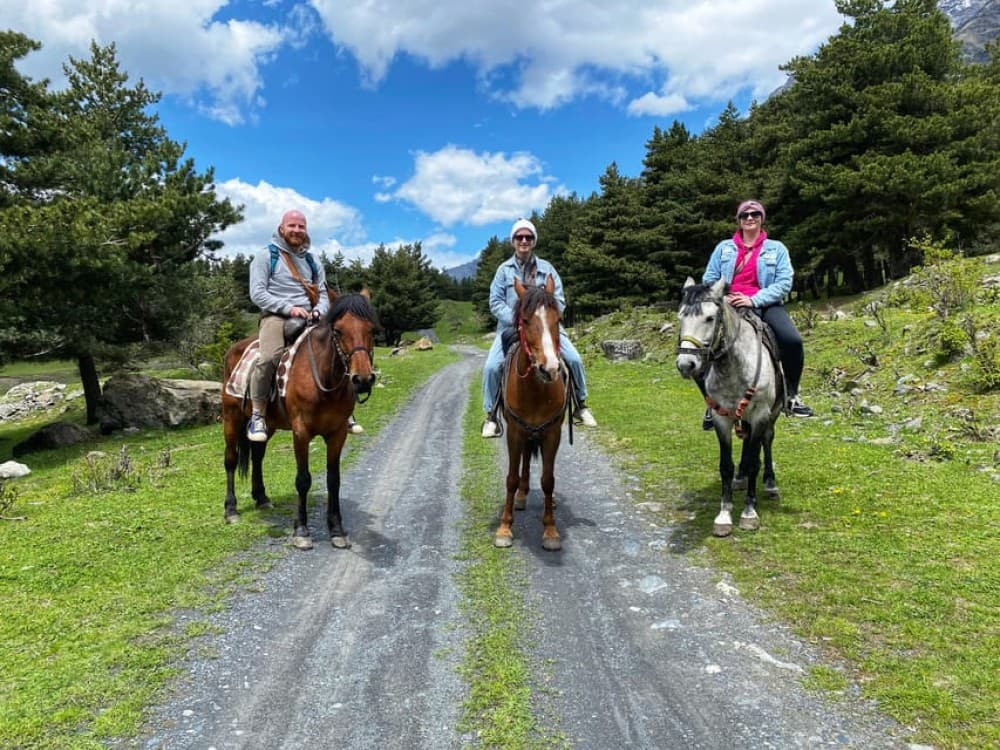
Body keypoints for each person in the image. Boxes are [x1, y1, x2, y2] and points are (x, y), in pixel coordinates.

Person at [246, 209, 362, 441]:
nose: (297, 230)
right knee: (269, 357)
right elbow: (257, 293)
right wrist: (288, 308)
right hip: (276, 316)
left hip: (311, 316)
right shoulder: (266, 256)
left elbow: (321, 292)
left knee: (338, 352)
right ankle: (258, 414)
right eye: (292, 226)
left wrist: (319, 309)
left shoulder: (312, 259)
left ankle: (345, 411)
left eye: (301, 226)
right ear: (282, 228)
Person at [700, 199, 814, 428]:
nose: (750, 218)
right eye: (745, 215)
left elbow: (783, 283)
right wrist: (724, 297)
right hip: (728, 306)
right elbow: (709, 278)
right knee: (701, 344)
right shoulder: (724, 248)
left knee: (792, 341)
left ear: (762, 218)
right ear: (739, 220)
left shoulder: (777, 248)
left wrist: (753, 299)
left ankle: (791, 396)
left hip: (766, 304)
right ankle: (712, 404)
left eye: (755, 214)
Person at [481, 218, 596, 438]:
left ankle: (580, 405)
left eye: (528, 237)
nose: (524, 241)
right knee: (492, 367)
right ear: (513, 241)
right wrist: (517, 319)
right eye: (519, 237)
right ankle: (491, 415)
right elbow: (495, 302)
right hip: (512, 327)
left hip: (546, 327)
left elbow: (559, 299)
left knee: (574, 359)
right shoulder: (503, 271)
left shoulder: (547, 269)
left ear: (534, 241)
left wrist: (547, 319)